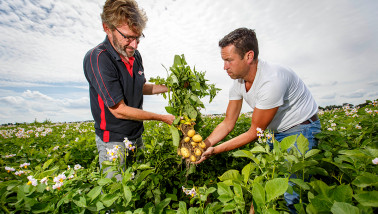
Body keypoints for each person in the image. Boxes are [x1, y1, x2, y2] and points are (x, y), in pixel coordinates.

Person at [196, 28, 321, 213]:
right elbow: (228, 123)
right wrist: (203, 144)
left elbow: (254, 131)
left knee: (292, 195)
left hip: (300, 129)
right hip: (273, 132)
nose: (225, 67)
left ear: (249, 56)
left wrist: (215, 150)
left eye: (229, 60)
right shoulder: (238, 82)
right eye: (224, 61)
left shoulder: (272, 80)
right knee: (264, 183)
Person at [83, 0, 175, 180]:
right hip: (113, 141)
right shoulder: (99, 58)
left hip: (136, 134)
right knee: (116, 195)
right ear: (107, 28)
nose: (134, 45)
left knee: (139, 186)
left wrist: (171, 86)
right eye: (127, 37)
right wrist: (162, 117)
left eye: (138, 37)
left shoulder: (135, 55)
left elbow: (139, 88)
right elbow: (118, 110)